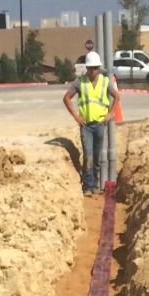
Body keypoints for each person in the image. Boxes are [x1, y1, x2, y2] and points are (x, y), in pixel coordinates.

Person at [64, 51, 120, 196]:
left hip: (100, 124)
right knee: (88, 154)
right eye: (90, 68)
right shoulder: (80, 82)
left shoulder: (104, 81)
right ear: (87, 68)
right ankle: (87, 186)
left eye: (95, 68)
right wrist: (76, 117)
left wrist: (111, 113)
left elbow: (116, 96)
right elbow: (67, 98)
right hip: (86, 126)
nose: (93, 71)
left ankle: (94, 184)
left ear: (99, 68)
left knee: (96, 156)